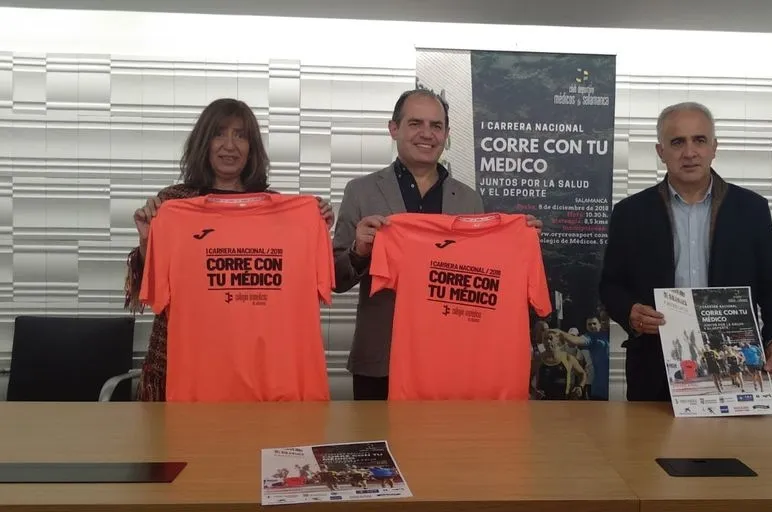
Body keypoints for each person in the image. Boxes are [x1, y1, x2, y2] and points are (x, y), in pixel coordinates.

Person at [332, 88, 541, 400]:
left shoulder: (469, 200)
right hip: (382, 359)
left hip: (452, 359)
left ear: (446, 134)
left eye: (436, 126)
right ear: (394, 128)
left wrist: (517, 241)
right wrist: (358, 253)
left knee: (445, 434)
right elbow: (335, 279)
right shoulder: (361, 191)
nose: (427, 134)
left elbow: (482, 279)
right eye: (415, 123)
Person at [124, 97, 334, 401]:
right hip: (186, 367)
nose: (230, 145)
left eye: (241, 135)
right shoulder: (173, 204)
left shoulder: (281, 210)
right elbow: (153, 286)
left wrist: (314, 223)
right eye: (219, 134)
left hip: (262, 371)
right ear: (203, 142)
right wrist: (148, 240)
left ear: (252, 148)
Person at [598, 101, 772, 402]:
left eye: (699, 140)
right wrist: (629, 312)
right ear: (660, 151)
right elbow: (610, 285)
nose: (689, 152)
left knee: (733, 435)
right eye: (677, 142)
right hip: (653, 369)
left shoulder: (751, 209)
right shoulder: (630, 213)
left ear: (714, 147)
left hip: (735, 364)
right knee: (650, 436)